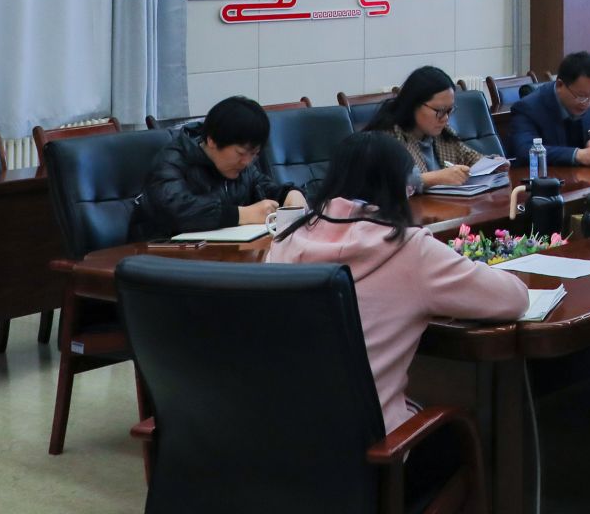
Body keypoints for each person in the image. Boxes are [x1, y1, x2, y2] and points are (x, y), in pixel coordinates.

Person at [268, 131, 527, 455]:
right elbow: (513, 299)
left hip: (282, 442)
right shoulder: (407, 247)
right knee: (466, 438)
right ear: (397, 187)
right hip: (376, 452)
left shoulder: (284, 241)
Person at [129, 96, 304, 239]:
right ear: (212, 140)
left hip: (220, 255)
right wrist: (242, 215)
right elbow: (176, 210)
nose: (247, 162)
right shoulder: (172, 160)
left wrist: (290, 194)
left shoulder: (242, 167)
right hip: (159, 257)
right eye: (241, 153)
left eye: (254, 154)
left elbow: (265, 188)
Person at [365, 65, 490, 192]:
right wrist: (434, 178)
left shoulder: (443, 134)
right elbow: (386, 181)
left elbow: (471, 158)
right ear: (413, 104)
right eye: (440, 110)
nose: (445, 118)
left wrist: (493, 164)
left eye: (449, 110)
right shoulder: (388, 137)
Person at [507, 51, 590, 167]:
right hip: (545, 178)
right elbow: (524, 150)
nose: (587, 103)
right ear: (560, 85)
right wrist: (578, 155)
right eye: (581, 96)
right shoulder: (528, 108)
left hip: (583, 177)